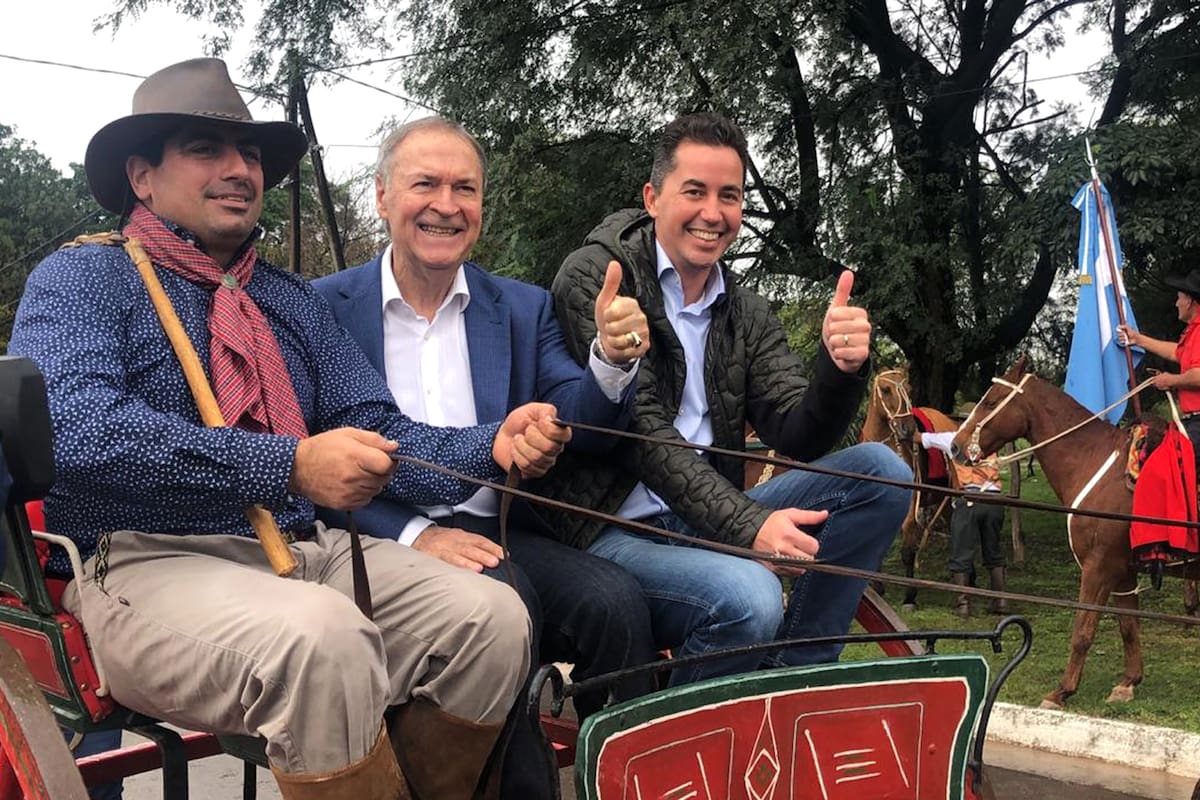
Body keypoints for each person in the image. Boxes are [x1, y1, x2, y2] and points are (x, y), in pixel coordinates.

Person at [8, 58, 570, 800]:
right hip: (141, 560)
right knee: (321, 639)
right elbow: (85, 433)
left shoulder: (284, 299)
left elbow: (371, 427)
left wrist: (491, 443)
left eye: (251, 155)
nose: (240, 169)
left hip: (301, 551)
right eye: (206, 150)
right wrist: (290, 467)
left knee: (492, 618)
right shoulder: (83, 278)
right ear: (142, 176)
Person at [312, 116, 658, 798]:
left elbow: (577, 415)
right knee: (509, 606)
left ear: (481, 208)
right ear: (382, 197)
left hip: (500, 530)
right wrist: (416, 533)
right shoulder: (324, 308)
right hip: (375, 536)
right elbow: (310, 454)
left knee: (616, 603)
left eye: (464, 188)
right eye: (426, 184)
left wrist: (611, 362)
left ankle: (626, 784)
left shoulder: (523, 309)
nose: (446, 204)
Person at [529, 112, 912, 684]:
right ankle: (666, 745)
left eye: (729, 196)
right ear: (653, 198)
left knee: (883, 473)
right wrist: (746, 526)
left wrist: (838, 368)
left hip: (708, 518)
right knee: (749, 598)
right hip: (611, 529)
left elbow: (797, 432)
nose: (713, 213)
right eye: (695, 192)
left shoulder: (746, 309)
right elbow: (642, 435)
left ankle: (791, 677)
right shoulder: (598, 278)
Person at [1118, 269, 1200, 479]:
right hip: (1192, 422)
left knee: (1162, 468)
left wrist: (1170, 380)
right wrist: (1138, 339)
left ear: (1190, 301)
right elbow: (1176, 352)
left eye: (1179, 298)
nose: (1176, 303)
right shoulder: (1194, 331)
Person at [920, 431, 1007, 616]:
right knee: (994, 552)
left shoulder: (953, 438)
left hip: (969, 499)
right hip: (994, 500)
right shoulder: (994, 437)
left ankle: (963, 604)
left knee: (961, 552)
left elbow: (920, 438)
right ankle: (1000, 602)